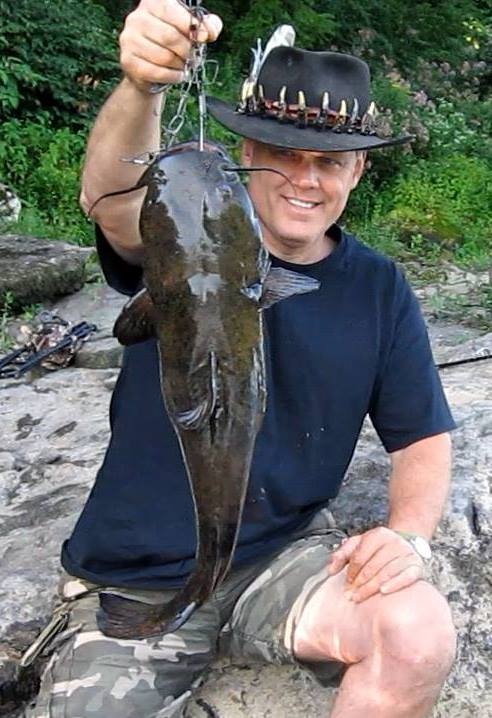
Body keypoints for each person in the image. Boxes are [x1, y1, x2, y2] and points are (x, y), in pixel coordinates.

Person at [26, 1, 457, 716]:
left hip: (287, 561)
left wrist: (410, 535)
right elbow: (107, 200)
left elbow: (423, 434)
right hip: (143, 581)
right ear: (246, 154)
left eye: (328, 162)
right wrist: (142, 86)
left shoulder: (379, 287)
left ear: (356, 173)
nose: (305, 179)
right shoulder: (180, 238)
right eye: (283, 153)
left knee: (417, 634)